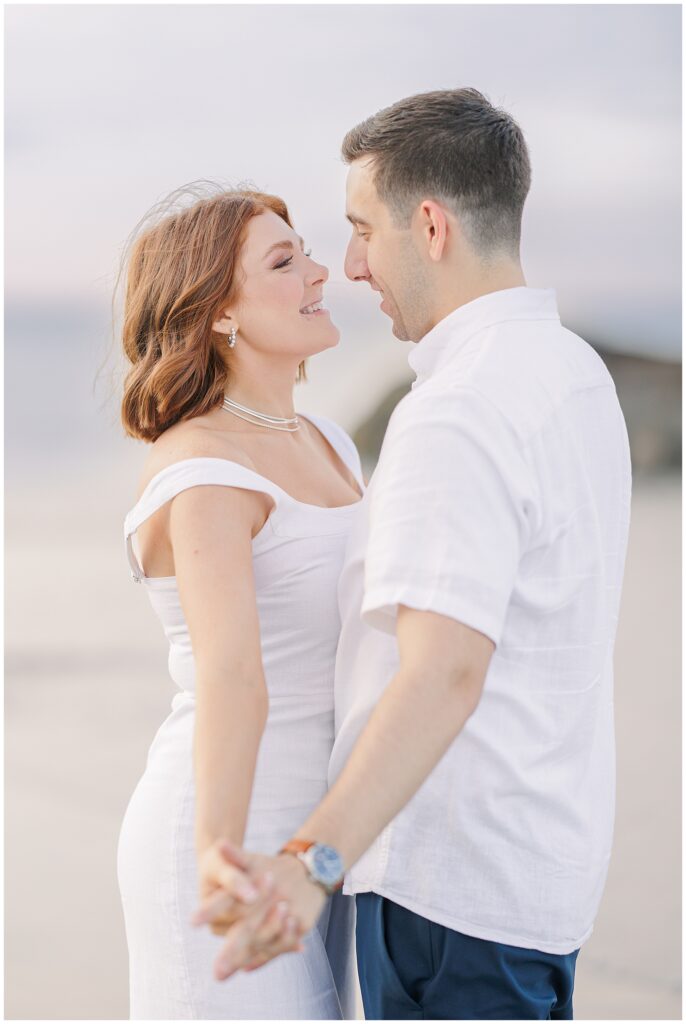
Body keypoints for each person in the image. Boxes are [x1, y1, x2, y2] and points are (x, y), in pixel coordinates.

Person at [195, 89, 633, 1020]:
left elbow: (443, 673)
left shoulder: (458, 407)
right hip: (540, 881)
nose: (350, 266)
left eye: (362, 230)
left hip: (451, 892)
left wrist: (315, 863)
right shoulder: (576, 373)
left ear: (429, 225)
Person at [117, 185, 360, 1019]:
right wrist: (221, 855)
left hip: (323, 849)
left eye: (308, 251)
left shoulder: (330, 440)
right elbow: (231, 679)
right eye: (284, 262)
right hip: (225, 837)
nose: (320, 271)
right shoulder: (203, 471)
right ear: (219, 312)